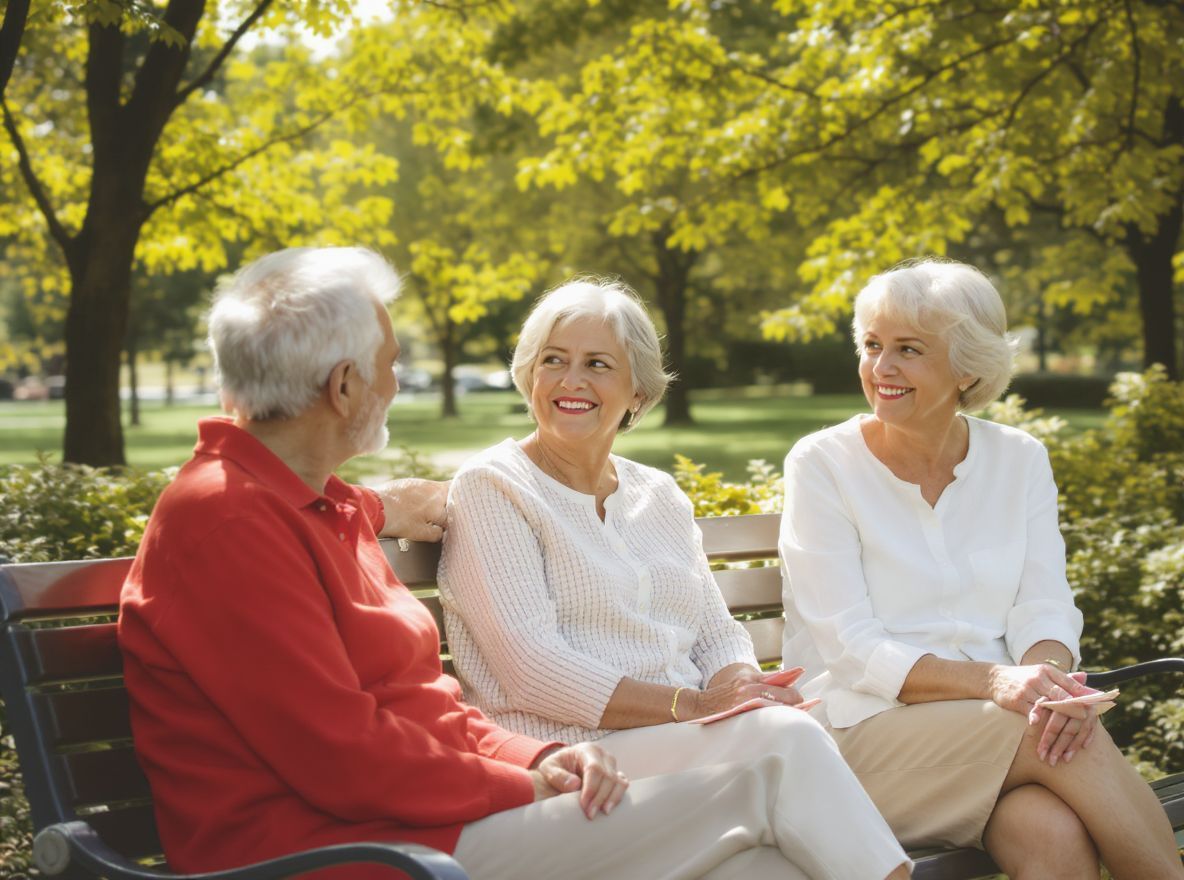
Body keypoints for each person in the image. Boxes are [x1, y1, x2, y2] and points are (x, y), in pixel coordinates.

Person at [118, 247, 882, 880]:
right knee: (767, 781)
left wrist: (546, 754)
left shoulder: (316, 508)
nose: (395, 385)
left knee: (762, 869)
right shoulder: (226, 523)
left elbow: (427, 710)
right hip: (349, 853)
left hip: (420, 822)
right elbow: (344, 759)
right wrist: (525, 781)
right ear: (343, 387)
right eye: (389, 365)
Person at [438, 277, 911, 880]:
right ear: (529, 375)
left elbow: (715, 631)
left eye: (596, 364)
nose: (570, 381)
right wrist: (694, 705)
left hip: (681, 742)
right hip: (575, 759)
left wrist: (741, 684)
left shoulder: (656, 494)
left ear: (637, 390)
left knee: (769, 869)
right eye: (552, 361)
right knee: (784, 739)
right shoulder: (495, 487)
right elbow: (532, 668)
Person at [779, 259, 1184, 880]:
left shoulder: (1019, 459)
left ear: (968, 367)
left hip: (997, 735)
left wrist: (1047, 684)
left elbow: (1043, 605)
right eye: (872, 345)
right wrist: (1000, 683)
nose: (881, 368)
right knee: (1042, 734)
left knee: (1053, 836)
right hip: (855, 739)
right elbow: (852, 649)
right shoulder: (822, 463)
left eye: (908, 349)